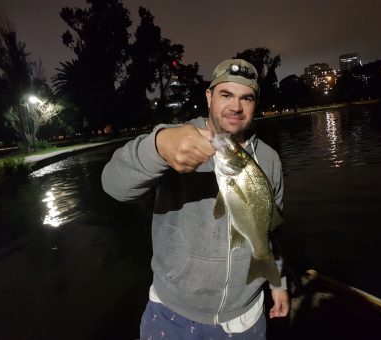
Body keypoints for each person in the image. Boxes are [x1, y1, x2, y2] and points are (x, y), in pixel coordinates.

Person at [101, 59, 289, 339]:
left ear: (254, 104)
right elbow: (113, 184)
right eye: (226, 95)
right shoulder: (176, 139)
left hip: (244, 319)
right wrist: (158, 146)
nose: (236, 107)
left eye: (246, 98)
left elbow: (270, 231)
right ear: (209, 97)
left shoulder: (270, 159)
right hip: (170, 315)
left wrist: (277, 282)